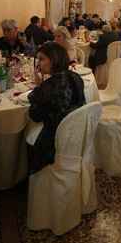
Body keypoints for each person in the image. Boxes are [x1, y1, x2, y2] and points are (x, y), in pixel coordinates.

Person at [28, 43, 86, 173]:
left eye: (42, 59)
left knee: (28, 136)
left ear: (53, 60)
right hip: (78, 133)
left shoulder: (48, 87)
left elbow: (34, 116)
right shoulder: (75, 77)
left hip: (55, 139)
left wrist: (39, 86)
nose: (38, 64)